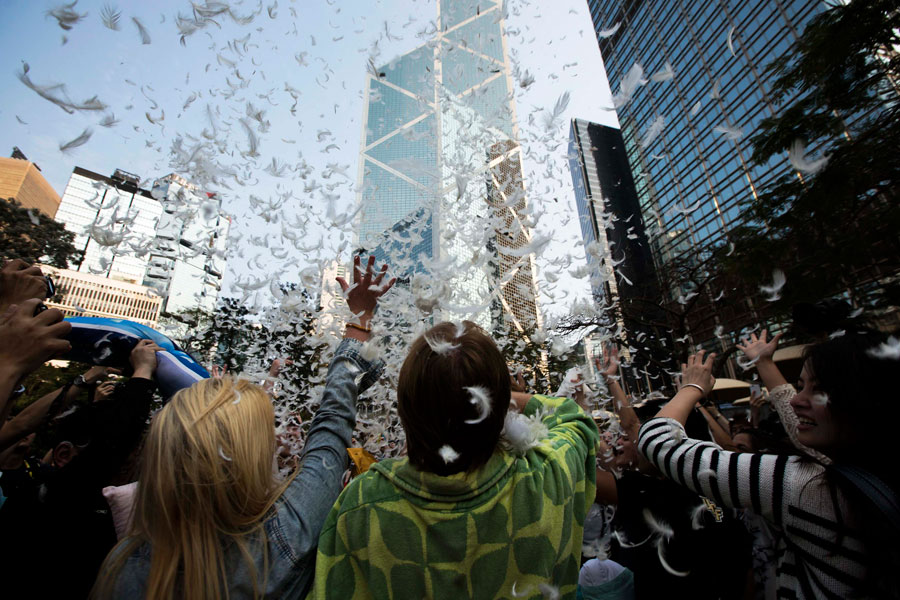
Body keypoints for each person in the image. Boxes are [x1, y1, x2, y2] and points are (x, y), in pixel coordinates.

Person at [92, 255, 395, 600]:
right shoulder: (286, 533)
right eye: (269, 432)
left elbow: (331, 421)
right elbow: (332, 421)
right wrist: (360, 319)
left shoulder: (123, 565)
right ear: (250, 460)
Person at [309, 320, 599, 599]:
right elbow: (574, 416)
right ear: (500, 411)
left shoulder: (362, 504)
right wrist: (494, 395)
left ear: (406, 409)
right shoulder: (548, 477)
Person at [638, 334, 900, 599]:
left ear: (863, 400)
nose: (797, 400)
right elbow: (801, 428)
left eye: (818, 390)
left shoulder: (809, 487)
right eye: (800, 386)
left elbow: (658, 442)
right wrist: (764, 363)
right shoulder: (873, 470)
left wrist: (692, 387)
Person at [0, 339, 162, 599]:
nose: (130, 463)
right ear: (64, 455)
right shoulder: (49, 497)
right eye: (123, 457)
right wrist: (142, 372)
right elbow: (114, 439)